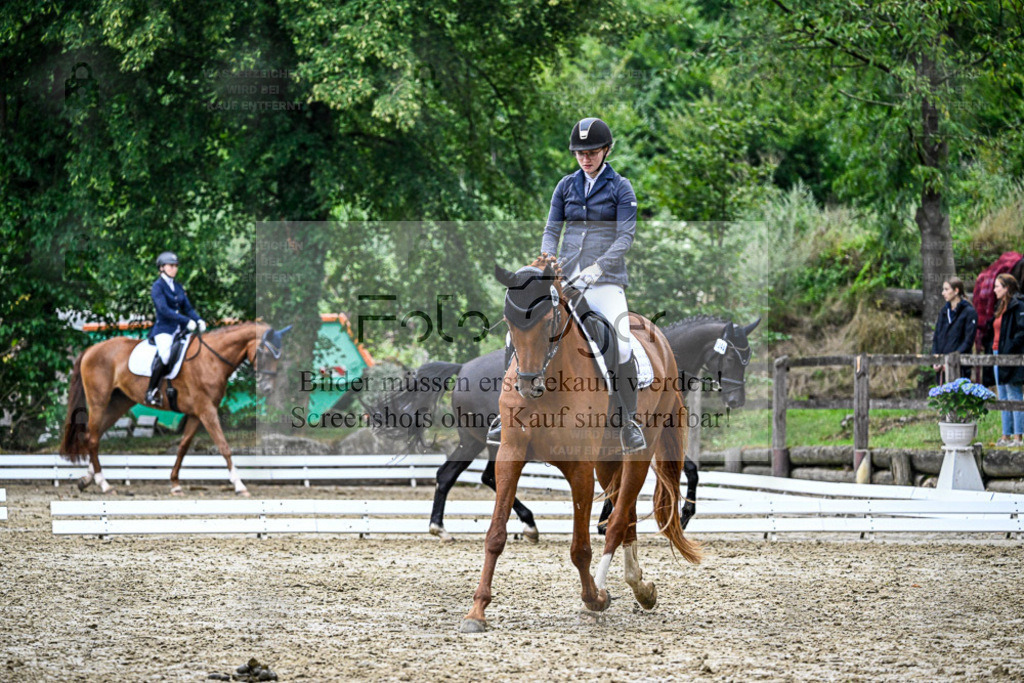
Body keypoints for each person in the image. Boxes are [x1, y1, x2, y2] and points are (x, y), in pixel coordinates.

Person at [488, 117, 645, 453]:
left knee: (620, 342)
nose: (585, 158)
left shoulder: (621, 188)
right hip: (563, 279)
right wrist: (547, 260)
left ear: (605, 150)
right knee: (512, 333)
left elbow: (625, 236)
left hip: (605, 282)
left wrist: (598, 268)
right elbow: (551, 228)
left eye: (591, 152)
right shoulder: (565, 186)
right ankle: (507, 413)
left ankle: (628, 420)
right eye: (579, 153)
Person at [146, 251, 206, 406]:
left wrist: (198, 320)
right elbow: (164, 310)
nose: (174, 269)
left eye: (176, 266)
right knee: (165, 356)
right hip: (164, 329)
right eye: (171, 266)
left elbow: (188, 307)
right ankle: (151, 391)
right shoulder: (157, 287)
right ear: (161, 268)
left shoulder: (178, 287)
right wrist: (186, 321)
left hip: (180, 330)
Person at [982, 274, 1024, 447]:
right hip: (997, 353)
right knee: (1003, 394)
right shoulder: (1000, 307)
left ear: (1007, 288)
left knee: (1014, 394)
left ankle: (1018, 437)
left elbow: (1021, 332)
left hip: (1011, 354)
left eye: (998, 286)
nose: (994, 290)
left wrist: (1009, 349)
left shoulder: (1018, 305)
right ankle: (1005, 435)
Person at [930, 277, 977, 383]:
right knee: (941, 397)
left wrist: (952, 359)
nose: (943, 293)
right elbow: (937, 336)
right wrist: (936, 357)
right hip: (942, 365)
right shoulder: (943, 311)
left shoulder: (969, 312)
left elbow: (968, 341)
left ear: (956, 291)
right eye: (943, 289)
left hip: (960, 365)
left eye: (946, 289)